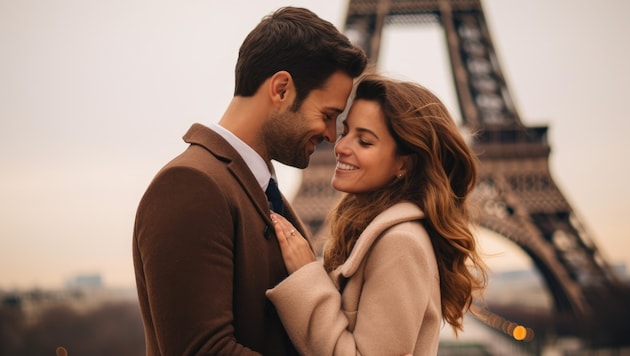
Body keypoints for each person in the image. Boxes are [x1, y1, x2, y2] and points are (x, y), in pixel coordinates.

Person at [132, 6, 367, 355]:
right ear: (282, 89)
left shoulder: (258, 191)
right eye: (328, 115)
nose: (333, 136)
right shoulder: (190, 185)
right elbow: (202, 351)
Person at [266, 74, 488, 355]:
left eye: (365, 142)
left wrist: (305, 275)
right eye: (346, 132)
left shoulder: (401, 243)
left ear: (404, 164)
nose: (341, 147)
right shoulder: (376, 232)